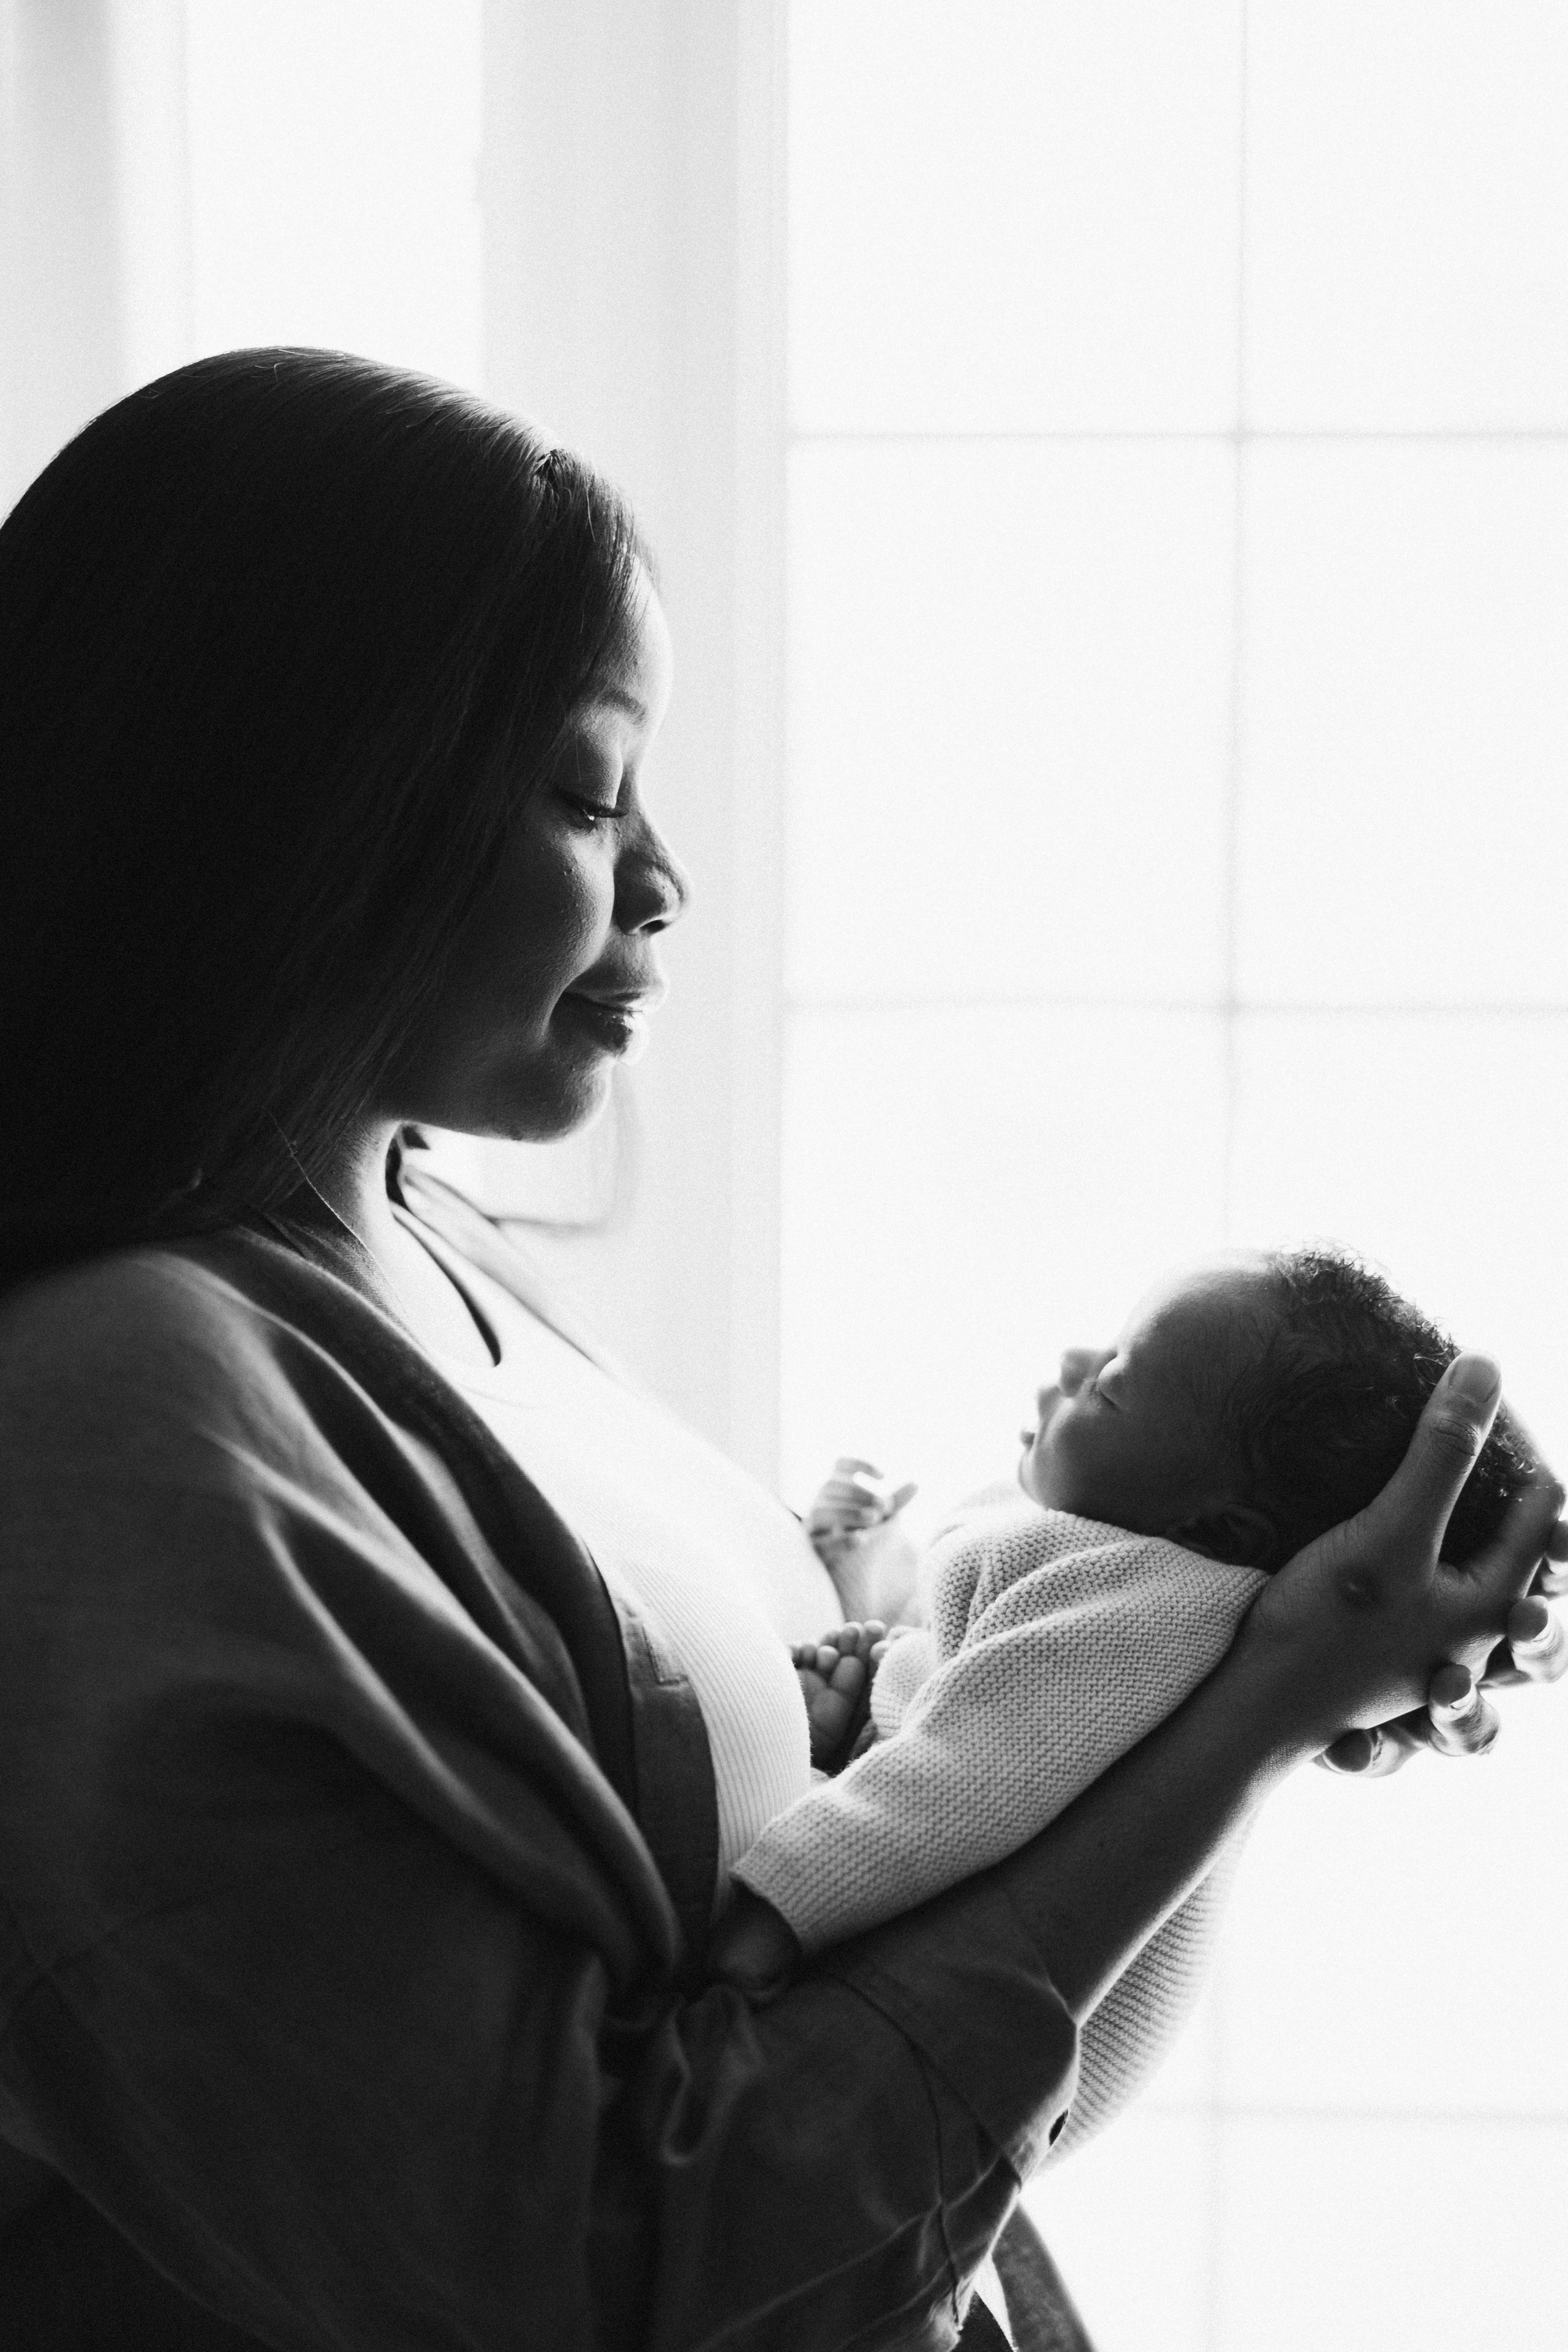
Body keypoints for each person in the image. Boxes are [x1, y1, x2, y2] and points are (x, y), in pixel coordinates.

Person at [0, 350, 1562, 2352]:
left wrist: (1249, 1615)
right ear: (299, 793)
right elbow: (606, 2272)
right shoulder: (109, 1432)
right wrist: (1249, 1711)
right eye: (586, 789)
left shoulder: (428, 1245)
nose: (663, 880)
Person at [727, 1246, 1545, 2160]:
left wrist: (769, 1917)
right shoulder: (1123, 1557)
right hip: (995, 2008)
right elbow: (975, 1655)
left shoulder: (1140, 1604)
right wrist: (877, 1597)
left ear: (1213, 1527)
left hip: (984, 2063)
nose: (1076, 1364)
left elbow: (955, 1792)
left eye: (1112, 1385)